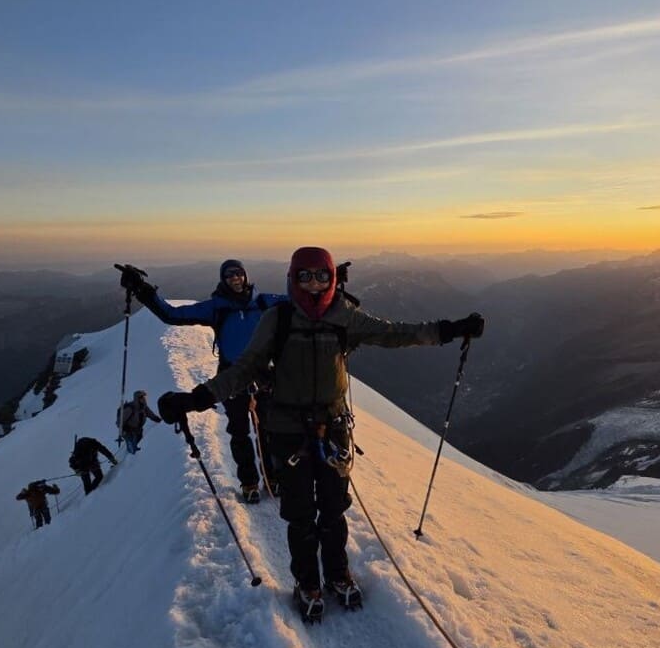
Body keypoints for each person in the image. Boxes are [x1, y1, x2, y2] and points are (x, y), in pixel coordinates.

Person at [157, 246, 484, 620]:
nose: (314, 284)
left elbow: (395, 333)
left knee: (332, 508)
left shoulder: (342, 315)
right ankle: (308, 581)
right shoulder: (277, 318)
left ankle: (337, 573)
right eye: (305, 276)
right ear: (293, 279)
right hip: (288, 428)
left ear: (331, 278)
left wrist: (450, 330)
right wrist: (197, 398)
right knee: (299, 513)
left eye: (321, 276)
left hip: (331, 428)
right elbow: (245, 368)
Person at [120, 259, 285, 503]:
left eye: (239, 274)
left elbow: (302, 301)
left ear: (246, 276)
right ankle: (250, 482)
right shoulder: (218, 307)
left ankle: (274, 478)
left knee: (269, 430)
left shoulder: (263, 302)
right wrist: (143, 290)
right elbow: (173, 314)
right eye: (229, 276)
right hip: (232, 377)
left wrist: (329, 283)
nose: (235, 279)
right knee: (240, 432)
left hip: (264, 376)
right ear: (223, 280)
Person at [118, 389, 161, 454]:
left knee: (139, 443)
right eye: (142, 397)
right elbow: (119, 421)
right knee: (132, 446)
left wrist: (158, 419)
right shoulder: (130, 408)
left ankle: (134, 456)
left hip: (138, 429)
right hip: (128, 430)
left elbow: (151, 415)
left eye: (145, 397)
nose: (144, 399)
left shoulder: (144, 407)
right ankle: (130, 456)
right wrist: (124, 428)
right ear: (138, 398)